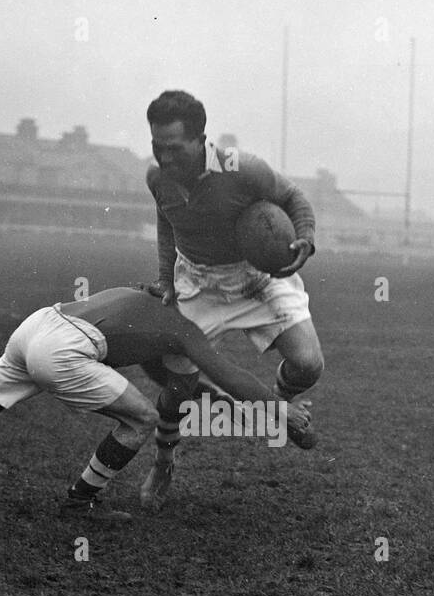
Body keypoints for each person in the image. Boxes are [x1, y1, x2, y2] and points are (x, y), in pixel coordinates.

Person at [0, 287, 310, 523]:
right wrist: (279, 409)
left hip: (38, 324)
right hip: (65, 350)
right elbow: (227, 376)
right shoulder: (187, 329)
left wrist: (252, 411)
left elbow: (187, 391)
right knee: (141, 421)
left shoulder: (150, 298)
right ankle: (80, 502)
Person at [140, 89, 326, 511]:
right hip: (198, 283)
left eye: (173, 148)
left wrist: (306, 238)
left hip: (254, 277)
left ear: (201, 139)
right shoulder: (157, 177)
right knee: (177, 385)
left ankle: (278, 406)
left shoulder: (243, 168)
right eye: (156, 146)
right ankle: (163, 462)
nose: (164, 158)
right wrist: (165, 278)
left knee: (309, 365)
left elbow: (294, 198)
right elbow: (166, 224)